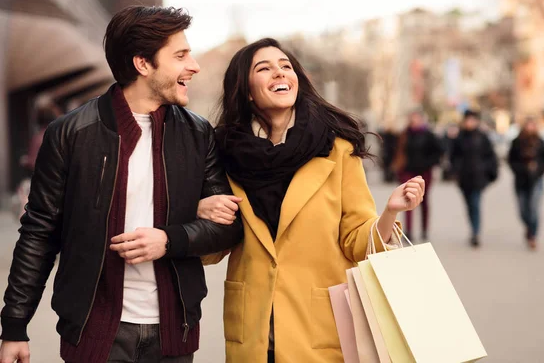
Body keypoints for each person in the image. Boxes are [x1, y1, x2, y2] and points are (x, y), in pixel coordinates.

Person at [0, 6, 243, 363]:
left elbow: (228, 228)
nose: (194, 65)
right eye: (180, 55)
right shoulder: (71, 133)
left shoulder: (197, 132)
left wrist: (169, 239)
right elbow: (39, 231)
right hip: (95, 331)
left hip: (175, 330)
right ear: (143, 64)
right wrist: (15, 326)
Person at [200, 38, 425, 363]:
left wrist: (390, 211)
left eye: (285, 66)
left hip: (318, 328)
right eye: (264, 68)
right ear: (247, 90)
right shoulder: (223, 153)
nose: (279, 73)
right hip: (253, 331)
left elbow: (356, 242)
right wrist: (202, 212)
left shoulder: (337, 149)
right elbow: (212, 250)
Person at [390, 110, 443, 241]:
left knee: (423, 200)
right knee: (408, 199)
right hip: (407, 171)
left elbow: (438, 153)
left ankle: (424, 229)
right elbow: (397, 151)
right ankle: (408, 230)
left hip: (424, 172)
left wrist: (428, 163)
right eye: (412, 118)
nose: (414, 121)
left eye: (417, 118)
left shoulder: (429, 135)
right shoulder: (404, 134)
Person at [450, 110, 498, 248]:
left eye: (472, 120)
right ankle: (473, 227)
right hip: (464, 178)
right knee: (469, 205)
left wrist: (489, 172)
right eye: (468, 120)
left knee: (475, 203)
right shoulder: (459, 137)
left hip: (478, 177)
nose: (470, 123)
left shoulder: (483, 137)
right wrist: (455, 171)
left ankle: (476, 233)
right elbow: (453, 156)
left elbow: (491, 156)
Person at [507, 117, 544, 250]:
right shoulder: (516, 142)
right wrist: (522, 169)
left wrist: (537, 170)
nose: (530, 128)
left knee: (534, 209)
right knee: (522, 211)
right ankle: (529, 226)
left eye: (533, 125)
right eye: (528, 125)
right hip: (521, 180)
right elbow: (511, 160)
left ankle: (532, 235)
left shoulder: (540, 142)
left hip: (536, 180)